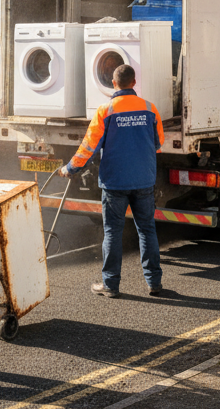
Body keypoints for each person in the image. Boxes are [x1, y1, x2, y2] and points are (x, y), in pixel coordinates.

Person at [58, 64, 165, 298]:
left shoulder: (105, 111)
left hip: (115, 183)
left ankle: (111, 285)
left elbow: (89, 147)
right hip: (144, 180)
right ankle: (154, 283)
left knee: (113, 232)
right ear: (134, 83)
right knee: (147, 230)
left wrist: (70, 169)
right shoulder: (150, 108)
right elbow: (158, 143)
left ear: (113, 84)